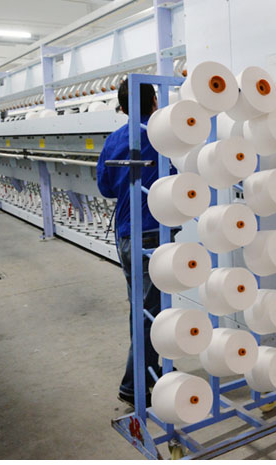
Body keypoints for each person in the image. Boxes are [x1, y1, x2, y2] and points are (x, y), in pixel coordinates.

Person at [96, 77, 165, 409]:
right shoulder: (164, 135)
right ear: (154, 102)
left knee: (141, 310)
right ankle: (133, 385)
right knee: (150, 315)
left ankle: (150, 372)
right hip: (153, 235)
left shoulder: (113, 140)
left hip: (125, 234)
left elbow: (105, 188)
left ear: (122, 108)